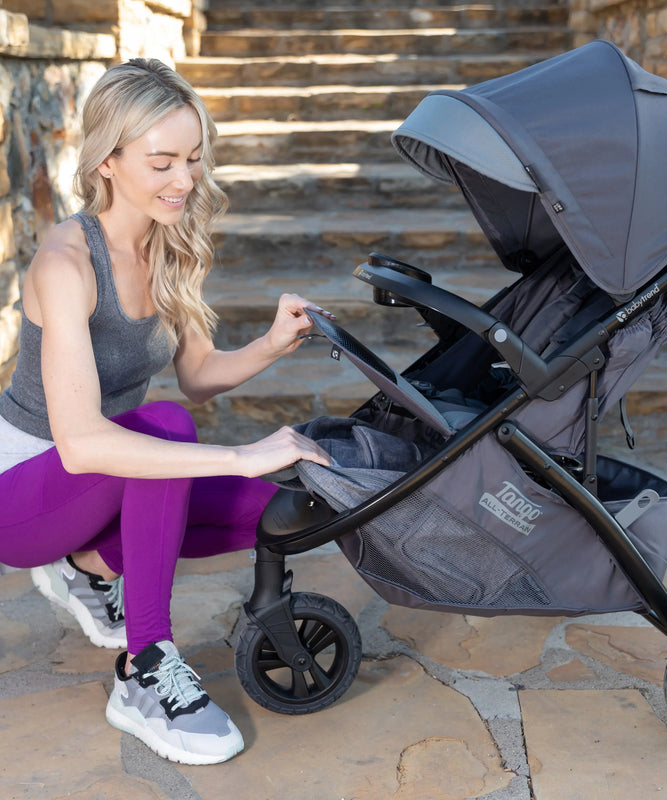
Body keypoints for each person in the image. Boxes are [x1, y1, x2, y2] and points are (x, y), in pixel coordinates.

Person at [0, 58, 333, 766]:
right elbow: (85, 444)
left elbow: (198, 378)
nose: (185, 180)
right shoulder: (66, 264)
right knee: (169, 436)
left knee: (292, 507)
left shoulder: (169, 240)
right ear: (108, 160)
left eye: (192, 159)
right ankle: (146, 669)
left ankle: (89, 562)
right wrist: (241, 453)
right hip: (23, 490)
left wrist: (272, 344)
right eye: (162, 163)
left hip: (105, 474)